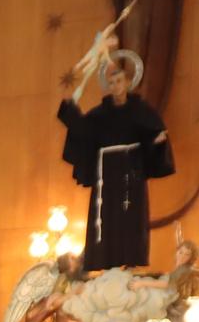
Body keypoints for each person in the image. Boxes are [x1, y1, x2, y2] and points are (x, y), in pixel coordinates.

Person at [57, 49, 173, 271]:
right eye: (111, 82)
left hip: (131, 174)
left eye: (119, 80)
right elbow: (83, 132)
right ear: (107, 86)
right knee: (106, 218)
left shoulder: (141, 111)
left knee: (131, 219)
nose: (116, 86)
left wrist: (156, 141)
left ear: (128, 82)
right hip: (107, 175)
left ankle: (129, 264)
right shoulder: (100, 114)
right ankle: (106, 263)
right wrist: (69, 110)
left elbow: (152, 138)